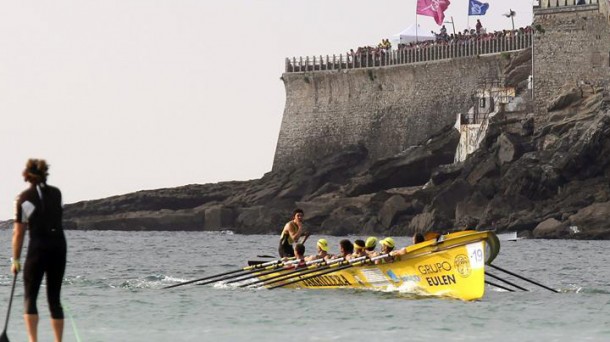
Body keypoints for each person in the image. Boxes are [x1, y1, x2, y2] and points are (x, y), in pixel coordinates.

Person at [11, 159, 67, 342]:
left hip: (38, 248)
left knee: (30, 296)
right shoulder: (56, 194)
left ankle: (33, 340)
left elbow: (19, 233)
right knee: (54, 299)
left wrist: (16, 260)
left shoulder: (24, 198)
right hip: (59, 247)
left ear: (26, 175)